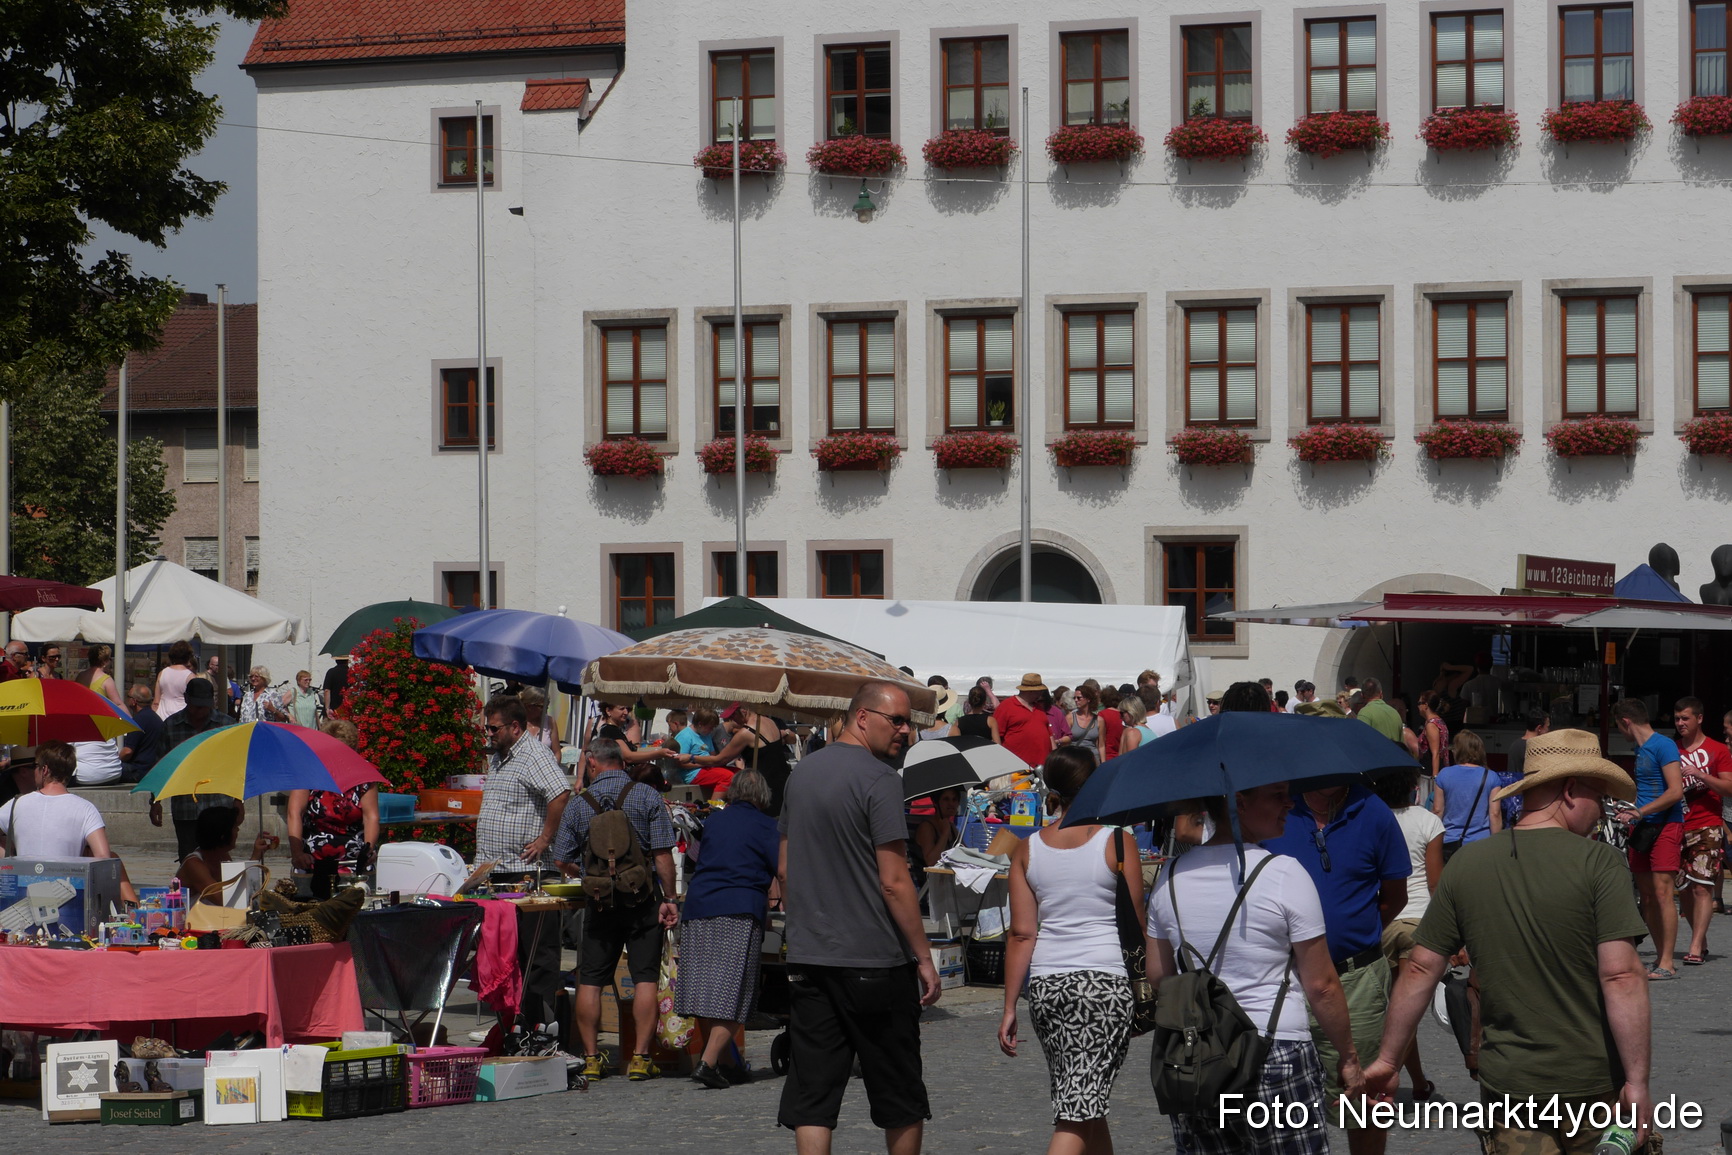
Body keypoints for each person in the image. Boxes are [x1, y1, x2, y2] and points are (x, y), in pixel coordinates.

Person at [1363, 730, 1654, 1155]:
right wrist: (1638, 1081)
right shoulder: (1601, 863)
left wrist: (1389, 1062)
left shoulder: (1467, 863)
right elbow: (1622, 974)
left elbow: (1423, 968)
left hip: (1509, 1089)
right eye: (1600, 793)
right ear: (1570, 790)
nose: (1603, 809)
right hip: (1593, 1086)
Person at [1148, 780, 1365, 1155]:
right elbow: (1322, 985)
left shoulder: (1169, 876)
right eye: (1277, 796)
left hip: (1198, 1058)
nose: (1289, 803)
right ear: (1240, 803)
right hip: (1274, 1051)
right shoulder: (1283, 872)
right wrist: (1349, 1059)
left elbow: (1159, 977)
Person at [777, 682, 940, 1152]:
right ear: (863, 717)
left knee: (813, 1096)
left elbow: (785, 869)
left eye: (909, 722)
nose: (906, 732)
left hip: (810, 956)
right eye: (899, 721)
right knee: (899, 1093)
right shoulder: (880, 778)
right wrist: (924, 956)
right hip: (874, 959)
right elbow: (894, 880)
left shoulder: (801, 774)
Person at [999, 746, 1144, 1155]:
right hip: (1103, 984)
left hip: (1048, 987)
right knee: (1077, 1109)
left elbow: (1022, 935)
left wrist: (1010, 1006)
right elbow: (1136, 924)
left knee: (1084, 1098)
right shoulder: (1118, 842)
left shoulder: (1027, 849)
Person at [1264, 776, 1409, 1155]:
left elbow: (1395, 895)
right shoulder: (1276, 806)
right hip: (1283, 980)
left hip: (1355, 977)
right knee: (1283, 1106)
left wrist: (1354, 932)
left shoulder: (1372, 810)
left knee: (1365, 1102)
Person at [552, 738, 679, 1081]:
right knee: (645, 978)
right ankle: (639, 1058)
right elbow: (663, 855)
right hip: (642, 899)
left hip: (600, 903)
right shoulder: (647, 795)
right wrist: (671, 897)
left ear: (592, 763)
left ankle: (591, 1059)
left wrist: (586, 874)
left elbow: (561, 857)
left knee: (591, 980)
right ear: (621, 761)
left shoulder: (580, 804)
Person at [675, 768, 780, 1090]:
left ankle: (728, 1063)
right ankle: (708, 1063)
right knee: (736, 994)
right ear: (763, 795)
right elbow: (782, 868)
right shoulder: (767, 826)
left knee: (707, 993)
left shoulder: (715, 820)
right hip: (737, 908)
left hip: (699, 905)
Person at [478, 693, 574, 1031]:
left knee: (537, 954)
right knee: (508, 955)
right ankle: (515, 1022)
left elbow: (561, 793)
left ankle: (540, 1025)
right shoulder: (500, 756)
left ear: (515, 727)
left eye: (493, 728)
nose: (488, 733)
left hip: (527, 871)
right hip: (499, 870)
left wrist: (545, 839)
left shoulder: (533, 753)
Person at [1371, 769, 1442, 1102]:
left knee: (1392, 1011)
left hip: (1383, 920)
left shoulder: (1372, 818)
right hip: (1419, 922)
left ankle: (1416, 1081)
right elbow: (1434, 882)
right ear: (1414, 787)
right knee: (1407, 1013)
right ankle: (1393, 1084)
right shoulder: (1428, 821)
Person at [0, 742, 139, 902]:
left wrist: (13, 849)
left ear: (44, 770)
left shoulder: (16, 804)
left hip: (24, 891)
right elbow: (103, 856)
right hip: (67, 893)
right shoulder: (85, 808)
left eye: (36, 766)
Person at [1612, 698, 1685, 980]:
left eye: (1619, 726)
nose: (1620, 732)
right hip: (1642, 827)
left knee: (1663, 892)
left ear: (1626, 722)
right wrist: (1627, 806)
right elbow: (1646, 790)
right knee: (1647, 896)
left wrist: (1639, 811)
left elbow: (1675, 792)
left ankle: (1667, 961)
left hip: (1666, 825)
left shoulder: (1663, 745)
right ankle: (1659, 957)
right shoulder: (1639, 749)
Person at [286, 718, 380, 898]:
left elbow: (371, 817)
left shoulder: (364, 774)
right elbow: (294, 812)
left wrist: (368, 850)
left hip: (353, 859)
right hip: (312, 860)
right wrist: (297, 853)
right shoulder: (309, 771)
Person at [1671, 697, 1732, 965]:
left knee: (1702, 887)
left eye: (1685, 718)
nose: (1680, 723)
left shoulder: (1718, 750)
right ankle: (1701, 939)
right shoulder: (1671, 750)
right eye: (1677, 718)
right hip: (1677, 824)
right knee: (1683, 887)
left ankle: (1695, 946)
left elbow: (1728, 788)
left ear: (1699, 718)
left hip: (1707, 823)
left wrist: (1700, 774)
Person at [149, 678, 238, 859]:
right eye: (196, 706)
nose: (201, 711)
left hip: (219, 805)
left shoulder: (226, 725)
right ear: (187, 699)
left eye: (205, 706)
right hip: (185, 806)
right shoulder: (171, 726)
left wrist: (239, 801)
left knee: (220, 858)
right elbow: (161, 766)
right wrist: (155, 801)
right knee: (189, 858)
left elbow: (235, 765)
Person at [690, 704, 789, 813]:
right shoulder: (770, 722)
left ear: (743, 711)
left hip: (762, 786)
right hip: (782, 780)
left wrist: (692, 757)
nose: (731, 719)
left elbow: (720, 759)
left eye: (733, 715)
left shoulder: (746, 733)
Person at [179, 803, 277, 903]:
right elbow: (223, 899)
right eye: (234, 827)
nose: (237, 830)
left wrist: (256, 856)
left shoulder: (221, 855)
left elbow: (237, 885)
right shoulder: (194, 864)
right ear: (223, 835)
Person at [1431, 730, 1501, 859]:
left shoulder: (1444, 774)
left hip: (1450, 842)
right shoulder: (1491, 776)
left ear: (1459, 751)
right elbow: (1495, 814)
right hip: (1481, 844)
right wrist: (1496, 845)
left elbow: (1437, 810)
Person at [1497, 707, 1551, 828]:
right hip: (1529, 803)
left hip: (1512, 800)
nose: (1548, 730)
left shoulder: (1514, 745)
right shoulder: (1536, 749)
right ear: (1539, 728)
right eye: (1547, 727)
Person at [996, 673, 1056, 770]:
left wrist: (1054, 756)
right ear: (1031, 691)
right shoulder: (1006, 706)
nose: (1040, 694)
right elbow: (996, 736)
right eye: (1039, 691)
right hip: (1017, 767)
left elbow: (1049, 734)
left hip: (1042, 766)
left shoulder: (1039, 708)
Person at [119, 682, 165, 784]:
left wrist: (115, 760)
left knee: (106, 771)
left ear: (134, 701)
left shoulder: (138, 721)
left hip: (138, 771)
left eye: (128, 696)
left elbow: (127, 752)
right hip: (153, 770)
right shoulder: (156, 719)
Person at [911, 787, 962, 868]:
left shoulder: (951, 827)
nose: (951, 804)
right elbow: (931, 862)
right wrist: (944, 834)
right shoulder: (927, 827)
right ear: (935, 802)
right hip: (927, 878)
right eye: (946, 799)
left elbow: (965, 852)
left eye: (954, 799)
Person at [1354, 677, 1403, 746]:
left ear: (1362, 695)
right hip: (1395, 755)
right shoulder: (1395, 713)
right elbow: (1402, 745)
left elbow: (1360, 743)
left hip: (1375, 756)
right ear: (1381, 693)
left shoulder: (1364, 713)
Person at [153, 640, 196, 718]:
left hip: (161, 716)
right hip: (181, 717)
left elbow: (156, 702)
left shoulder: (162, 673)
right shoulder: (190, 676)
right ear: (188, 656)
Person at [1414, 690, 1450, 778]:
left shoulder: (1431, 725)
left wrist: (1434, 778)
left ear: (1426, 705)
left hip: (1429, 774)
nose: (1417, 706)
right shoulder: (1439, 722)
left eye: (1419, 703)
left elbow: (1436, 753)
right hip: (1439, 771)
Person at [1065, 683, 1100, 758]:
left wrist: (1103, 764)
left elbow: (1101, 745)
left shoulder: (1098, 720)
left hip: (1093, 758)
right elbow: (1065, 742)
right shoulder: (1070, 718)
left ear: (1088, 699)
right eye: (1074, 698)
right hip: (1076, 758)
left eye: (1079, 698)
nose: (1076, 700)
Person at [519, 686, 559, 752]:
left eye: (547, 706)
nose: (546, 709)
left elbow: (557, 753)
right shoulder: (517, 723)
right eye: (542, 706)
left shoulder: (550, 721)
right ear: (529, 706)